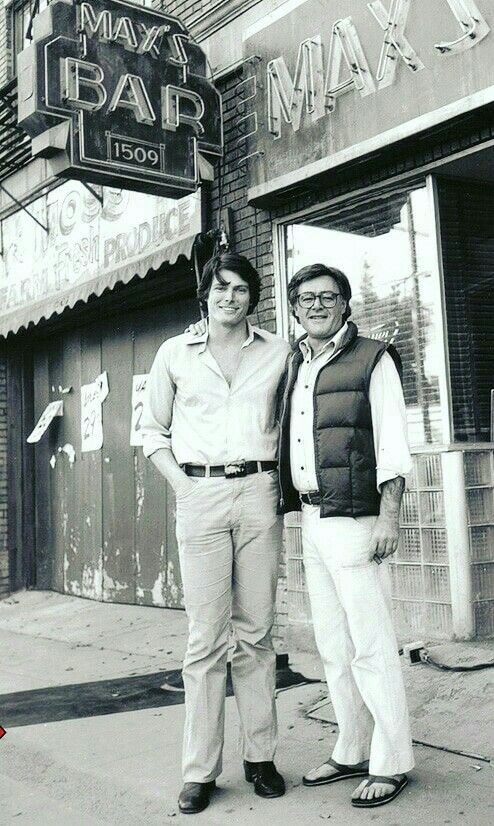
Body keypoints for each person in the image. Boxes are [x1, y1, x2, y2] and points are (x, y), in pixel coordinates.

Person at [141, 252, 290, 814]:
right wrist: (184, 487)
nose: (230, 297)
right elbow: (152, 430)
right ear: (205, 294)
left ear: (254, 296)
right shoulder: (173, 353)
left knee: (256, 632)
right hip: (199, 496)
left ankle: (261, 757)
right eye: (220, 287)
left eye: (241, 288)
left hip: (258, 494)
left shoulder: (279, 352)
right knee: (205, 639)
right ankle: (200, 770)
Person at [278, 263, 414, 809]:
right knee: (333, 645)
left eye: (327, 297)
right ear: (294, 308)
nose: (316, 305)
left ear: (345, 304)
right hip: (313, 518)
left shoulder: (373, 358)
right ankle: (352, 745)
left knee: (371, 645)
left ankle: (391, 760)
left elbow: (395, 443)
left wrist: (390, 516)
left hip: (357, 520)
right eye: (306, 298)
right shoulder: (297, 363)